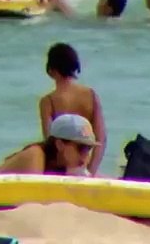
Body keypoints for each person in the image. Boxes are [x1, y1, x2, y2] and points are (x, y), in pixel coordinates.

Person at [39, 44, 107, 175]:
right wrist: (91, 171)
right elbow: (101, 139)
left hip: (62, 170)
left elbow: (49, 143)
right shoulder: (90, 95)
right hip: (85, 166)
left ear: (51, 69)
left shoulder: (48, 101)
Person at [0, 113, 98, 176]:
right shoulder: (35, 155)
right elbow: (35, 195)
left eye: (89, 148)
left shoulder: (65, 164)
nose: (86, 155)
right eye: (82, 148)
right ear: (60, 144)